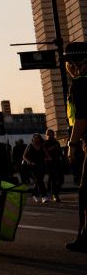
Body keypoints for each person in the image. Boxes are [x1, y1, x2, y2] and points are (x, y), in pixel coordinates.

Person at [62, 42, 87, 252]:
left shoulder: (80, 84)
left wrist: (72, 144)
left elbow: (81, 118)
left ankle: (86, 237)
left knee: (86, 191)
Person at [23, 133, 51, 204]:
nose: (36, 139)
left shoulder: (42, 146)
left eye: (37, 138)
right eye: (35, 138)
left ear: (39, 138)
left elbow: (47, 155)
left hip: (41, 166)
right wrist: (29, 162)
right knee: (39, 180)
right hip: (33, 166)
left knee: (39, 180)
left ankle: (34, 194)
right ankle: (44, 196)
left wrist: (49, 158)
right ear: (33, 139)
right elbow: (24, 156)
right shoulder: (30, 145)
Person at [43, 129, 64, 202]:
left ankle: (50, 192)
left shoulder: (56, 142)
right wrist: (51, 149)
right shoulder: (45, 143)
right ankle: (55, 194)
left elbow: (60, 152)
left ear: (53, 134)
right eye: (47, 134)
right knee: (53, 179)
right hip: (49, 163)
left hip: (58, 162)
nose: (49, 135)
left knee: (61, 179)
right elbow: (44, 153)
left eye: (50, 134)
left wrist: (63, 158)